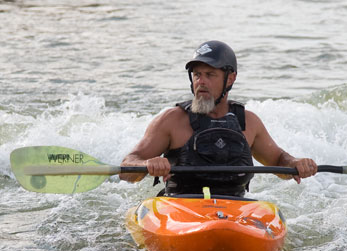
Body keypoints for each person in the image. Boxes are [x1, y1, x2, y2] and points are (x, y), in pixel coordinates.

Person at [120, 40, 317, 196]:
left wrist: (295, 163)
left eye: (210, 74)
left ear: (230, 79)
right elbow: (127, 166)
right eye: (197, 74)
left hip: (233, 209)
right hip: (180, 208)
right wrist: (146, 165)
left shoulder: (248, 122)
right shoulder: (172, 121)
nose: (201, 82)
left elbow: (279, 162)